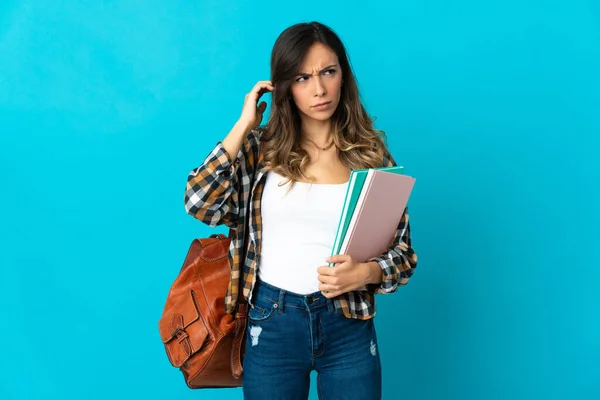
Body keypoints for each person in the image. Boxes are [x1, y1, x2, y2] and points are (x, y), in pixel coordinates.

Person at [184, 21, 417, 400]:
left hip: (348, 325)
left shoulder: (371, 156)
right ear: (284, 87)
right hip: (271, 320)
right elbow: (199, 202)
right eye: (302, 77)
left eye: (328, 71)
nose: (319, 89)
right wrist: (243, 126)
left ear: (343, 74)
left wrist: (366, 272)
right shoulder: (259, 152)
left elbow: (404, 255)